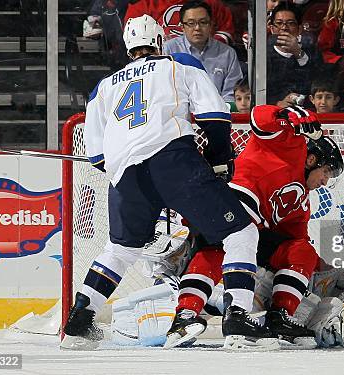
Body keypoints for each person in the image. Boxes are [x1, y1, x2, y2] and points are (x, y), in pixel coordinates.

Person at [61, 14, 263, 350]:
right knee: (241, 231)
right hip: (173, 161)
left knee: (121, 249)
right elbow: (214, 115)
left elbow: (97, 156)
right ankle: (238, 318)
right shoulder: (178, 62)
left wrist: (140, 183)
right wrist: (216, 162)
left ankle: (79, 321)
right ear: (159, 41)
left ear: (128, 49)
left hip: (125, 175)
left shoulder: (104, 87)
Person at [165, 105, 344, 349]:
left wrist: (334, 276)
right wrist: (288, 114)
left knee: (301, 251)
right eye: (326, 172)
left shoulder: (301, 203)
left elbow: (296, 245)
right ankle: (186, 314)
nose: (325, 181)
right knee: (219, 247)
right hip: (227, 203)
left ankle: (279, 317)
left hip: (249, 232)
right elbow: (259, 117)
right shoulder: (289, 147)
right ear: (311, 159)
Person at [163, 0, 243, 102]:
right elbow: (163, 89)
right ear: (182, 27)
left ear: (211, 25)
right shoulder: (168, 50)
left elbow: (231, 94)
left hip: (216, 114)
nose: (197, 28)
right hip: (179, 113)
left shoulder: (227, 53)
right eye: (191, 23)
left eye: (203, 22)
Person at [267, 2, 321, 107]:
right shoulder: (263, 54)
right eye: (279, 23)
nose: (284, 28)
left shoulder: (312, 51)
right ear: (272, 28)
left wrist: (298, 53)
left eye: (290, 23)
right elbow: (257, 90)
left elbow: (319, 83)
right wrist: (277, 103)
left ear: (299, 29)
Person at [124, 0, 234, 44]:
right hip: (160, 67)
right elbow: (135, 41)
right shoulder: (143, 6)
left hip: (206, 66)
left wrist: (205, 49)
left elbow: (225, 31)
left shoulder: (211, 3)